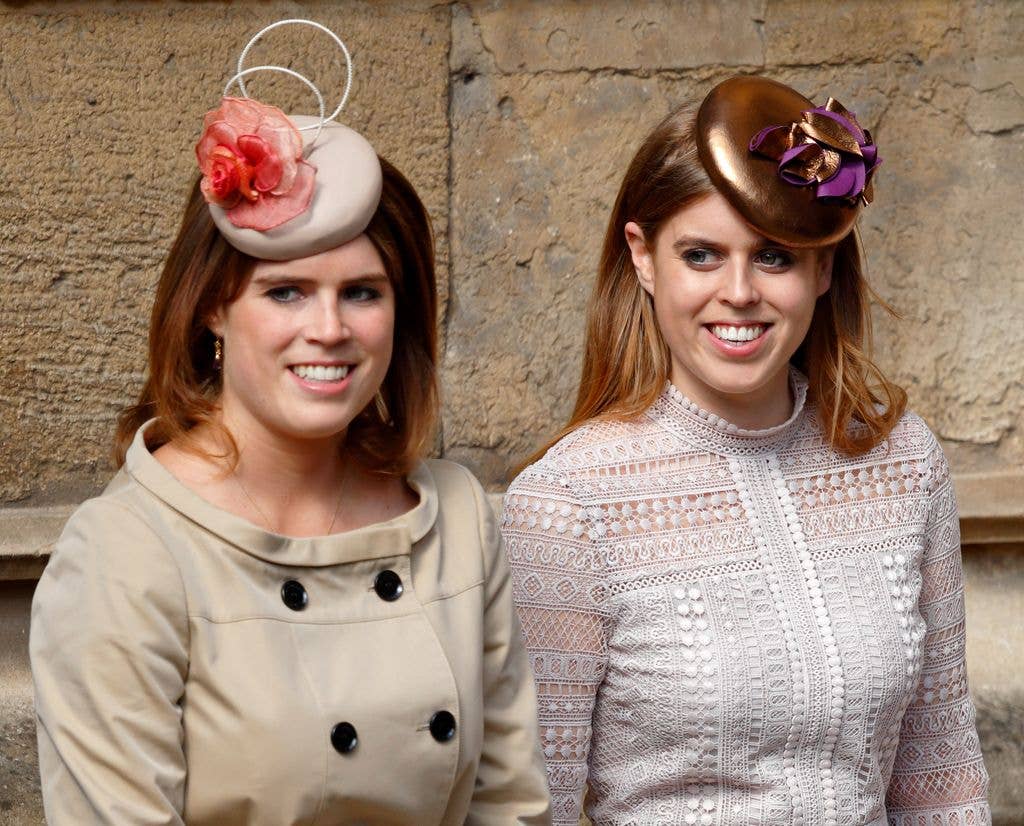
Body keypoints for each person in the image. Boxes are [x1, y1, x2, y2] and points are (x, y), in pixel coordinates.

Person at [30, 20, 551, 825]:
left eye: (363, 292)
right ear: (211, 309)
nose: (330, 328)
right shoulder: (126, 553)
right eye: (286, 292)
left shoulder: (457, 519)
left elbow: (510, 805)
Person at [502, 76, 989, 825]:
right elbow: (537, 806)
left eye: (773, 257)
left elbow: (943, 775)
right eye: (700, 255)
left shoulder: (905, 464)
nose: (738, 292)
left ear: (823, 267)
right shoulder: (567, 504)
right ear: (642, 257)